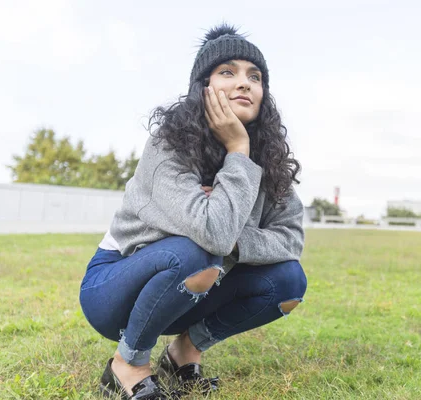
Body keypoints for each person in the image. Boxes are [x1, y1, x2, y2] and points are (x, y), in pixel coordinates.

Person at [79, 23, 307, 399]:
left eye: (255, 76)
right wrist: (236, 149)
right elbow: (212, 236)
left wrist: (226, 204)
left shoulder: (267, 160)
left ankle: (183, 351)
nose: (245, 83)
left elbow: (290, 239)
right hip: (114, 288)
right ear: (203, 87)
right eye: (227, 72)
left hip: (197, 286)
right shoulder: (168, 144)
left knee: (288, 282)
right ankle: (127, 364)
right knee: (196, 250)